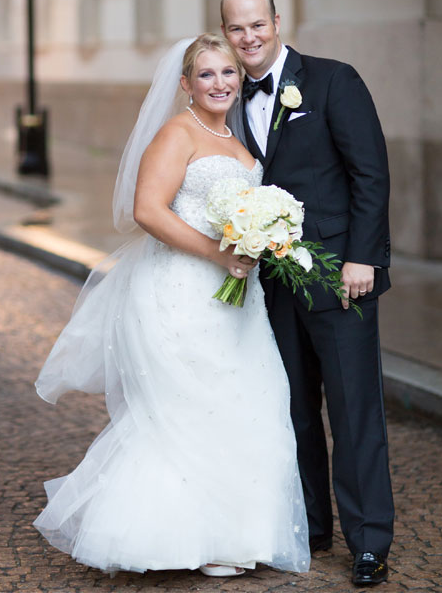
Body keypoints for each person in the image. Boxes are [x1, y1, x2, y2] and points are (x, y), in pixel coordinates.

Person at [34, 34, 310, 577]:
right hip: (182, 290)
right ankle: (181, 538)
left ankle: (237, 534)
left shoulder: (236, 136)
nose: (219, 84)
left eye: (227, 73)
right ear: (185, 84)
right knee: (187, 407)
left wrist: (262, 238)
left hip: (238, 300)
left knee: (248, 402)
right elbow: (148, 210)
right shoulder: (176, 133)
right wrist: (217, 254)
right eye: (206, 75)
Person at [221, 0, 393, 587]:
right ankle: (313, 527)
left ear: (276, 19)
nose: (249, 38)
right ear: (227, 33)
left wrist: (363, 259)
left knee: (354, 413)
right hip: (272, 283)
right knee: (292, 411)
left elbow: (370, 173)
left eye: (257, 24)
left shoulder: (332, 80)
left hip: (339, 277)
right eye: (237, 29)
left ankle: (369, 540)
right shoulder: (228, 95)